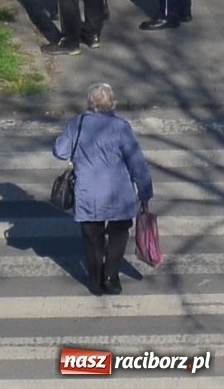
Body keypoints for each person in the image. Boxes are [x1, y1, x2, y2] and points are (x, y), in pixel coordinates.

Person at [53, 82, 153, 296]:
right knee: (119, 234)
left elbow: (60, 151)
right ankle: (111, 276)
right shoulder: (121, 127)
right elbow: (137, 163)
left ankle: (96, 282)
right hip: (118, 194)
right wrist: (145, 192)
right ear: (112, 103)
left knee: (92, 238)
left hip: (88, 194)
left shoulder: (77, 124)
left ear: (89, 103)